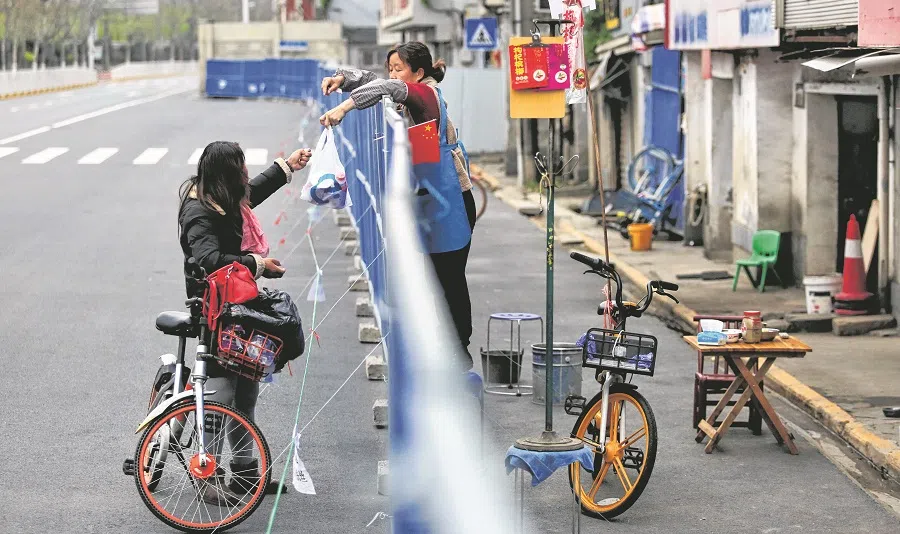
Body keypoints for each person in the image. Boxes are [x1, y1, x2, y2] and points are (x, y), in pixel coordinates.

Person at [319, 42, 477, 370]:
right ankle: (442, 348)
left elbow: (388, 86)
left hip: (452, 202)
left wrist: (345, 108)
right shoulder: (411, 93)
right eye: (390, 67)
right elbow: (375, 81)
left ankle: (459, 351)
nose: (392, 74)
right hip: (432, 199)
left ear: (418, 73)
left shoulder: (427, 96)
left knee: (449, 280)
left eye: (399, 68)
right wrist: (343, 78)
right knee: (432, 279)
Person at [177, 141, 311, 505]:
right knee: (221, 395)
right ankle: (207, 474)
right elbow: (208, 259)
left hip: (238, 301)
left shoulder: (223, 195)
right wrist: (257, 264)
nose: (245, 175)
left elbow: (251, 193)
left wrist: (286, 167)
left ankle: (244, 474)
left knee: (247, 390)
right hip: (213, 309)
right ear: (224, 175)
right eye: (239, 168)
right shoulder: (198, 211)